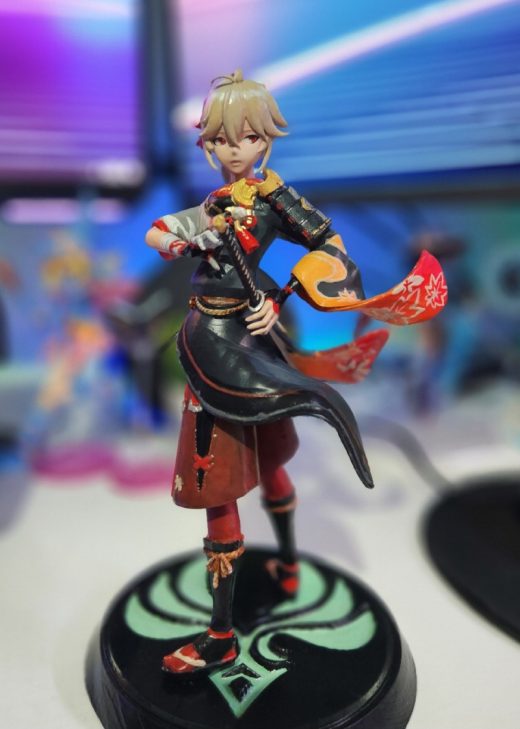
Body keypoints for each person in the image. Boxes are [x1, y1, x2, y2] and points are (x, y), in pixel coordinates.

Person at [145, 70, 447, 675]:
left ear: (265, 140)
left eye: (247, 137)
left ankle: (259, 595)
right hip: (206, 340)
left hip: (248, 338)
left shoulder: (276, 199)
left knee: (266, 458)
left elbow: (330, 245)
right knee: (220, 483)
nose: (234, 149)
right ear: (207, 144)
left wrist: (280, 298)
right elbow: (160, 231)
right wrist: (182, 240)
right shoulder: (213, 205)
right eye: (221, 139)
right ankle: (226, 629)